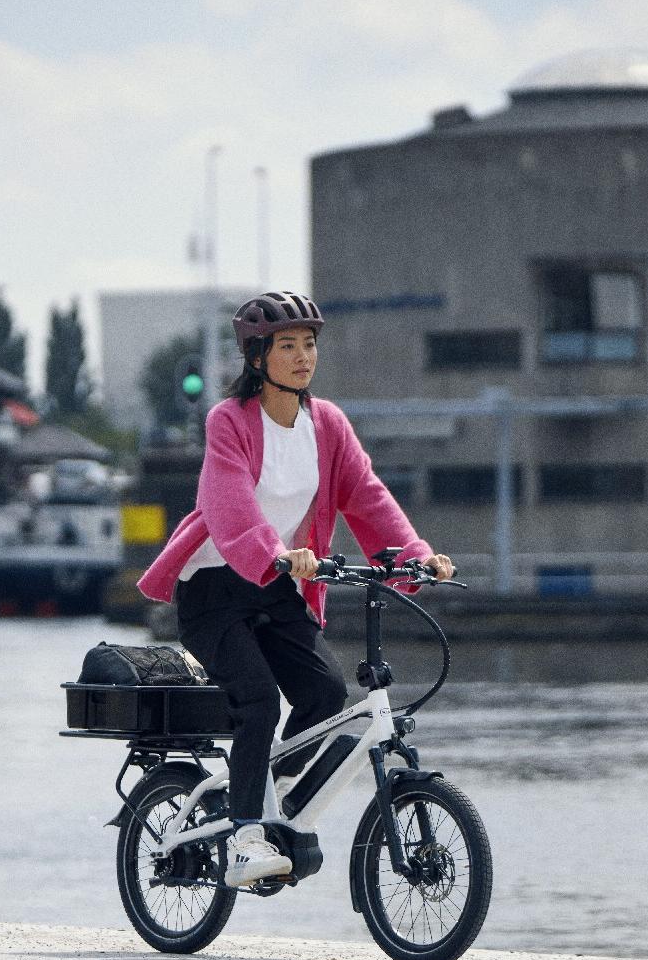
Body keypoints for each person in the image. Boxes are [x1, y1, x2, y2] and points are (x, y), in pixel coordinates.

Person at [138, 291, 454, 887]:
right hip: (216, 586)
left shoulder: (327, 424)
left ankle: (275, 792)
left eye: (310, 344)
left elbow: (368, 496)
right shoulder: (228, 422)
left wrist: (415, 558)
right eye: (288, 346)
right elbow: (228, 507)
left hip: (280, 584)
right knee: (257, 698)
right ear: (258, 355)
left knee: (325, 691)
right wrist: (278, 556)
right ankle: (244, 837)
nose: (304, 356)